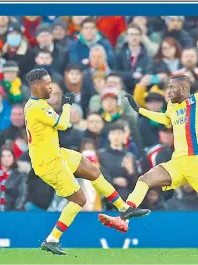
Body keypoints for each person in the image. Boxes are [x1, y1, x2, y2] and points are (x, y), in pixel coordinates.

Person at [98, 53, 198, 253]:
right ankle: (124, 218)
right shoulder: (172, 106)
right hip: (178, 162)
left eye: (172, 88)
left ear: (184, 88)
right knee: (144, 179)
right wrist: (140, 110)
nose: (168, 92)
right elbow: (166, 120)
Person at [23, 68, 149, 255]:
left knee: (92, 170)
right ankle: (52, 239)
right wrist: (67, 105)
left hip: (55, 154)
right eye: (48, 84)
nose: (51, 87)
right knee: (79, 199)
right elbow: (64, 125)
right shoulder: (38, 107)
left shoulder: (36, 104)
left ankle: (124, 209)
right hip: (50, 163)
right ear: (36, 86)